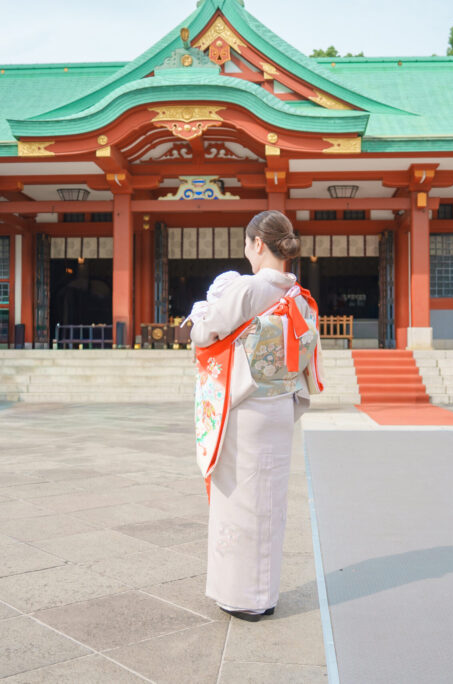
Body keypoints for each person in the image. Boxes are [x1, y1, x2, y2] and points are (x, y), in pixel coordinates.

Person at [188, 210, 322, 622]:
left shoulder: (247, 289)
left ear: (257, 244)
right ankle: (265, 592)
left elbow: (203, 332)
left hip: (245, 409)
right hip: (279, 406)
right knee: (269, 502)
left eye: (247, 244)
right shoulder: (299, 296)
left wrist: (199, 310)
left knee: (241, 502)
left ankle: (243, 596)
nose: (246, 252)